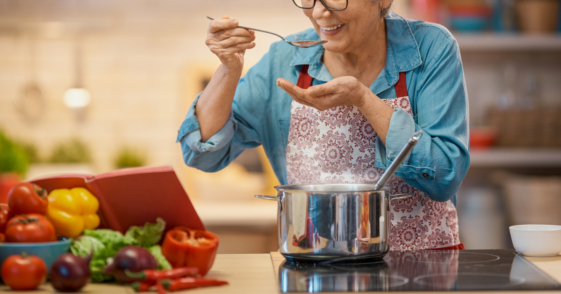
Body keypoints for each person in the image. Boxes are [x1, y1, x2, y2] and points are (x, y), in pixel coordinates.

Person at [177, 0, 470, 250]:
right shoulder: (283, 60)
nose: (319, 12)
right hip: (313, 268)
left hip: (425, 271)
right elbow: (203, 155)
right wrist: (229, 68)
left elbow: (444, 174)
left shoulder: (431, 47)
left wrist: (363, 100)